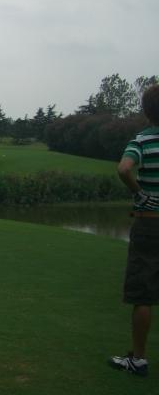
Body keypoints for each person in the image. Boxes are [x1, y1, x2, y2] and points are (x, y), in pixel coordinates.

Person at [109, 85, 159, 377]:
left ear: (146, 111)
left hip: (150, 223)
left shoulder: (142, 140)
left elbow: (124, 169)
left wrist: (139, 194)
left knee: (143, 294)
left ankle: (138, 360)